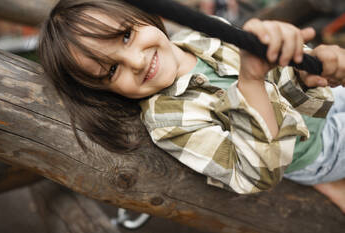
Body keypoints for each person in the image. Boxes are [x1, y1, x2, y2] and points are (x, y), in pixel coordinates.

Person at [38, 0, 345, 213]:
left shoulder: (203, 34)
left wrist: (307, 73)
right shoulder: (168, 121)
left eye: (126, 36)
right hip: (319, 150)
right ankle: (326, 180)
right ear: (104, 91)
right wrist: (250, 82)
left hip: (324, 110)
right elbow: (253, 174)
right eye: (111, 72)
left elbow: (286, 84)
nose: (137, 61)